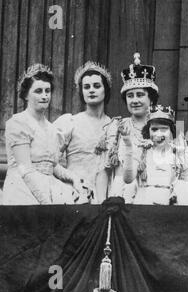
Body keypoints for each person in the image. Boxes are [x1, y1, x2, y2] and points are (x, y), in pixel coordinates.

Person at [3, 64, 81, 205]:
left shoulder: (52, 129)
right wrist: (45, 204)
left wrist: (73, 178)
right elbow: (25, 170)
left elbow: (53, 165)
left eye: (48, 91)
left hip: (48, 187)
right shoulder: (18, 123)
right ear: (26, 95)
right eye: (38, 91)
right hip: (22, 190)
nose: (44, 96)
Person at [54, 61, 112, 204]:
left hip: (105, 195)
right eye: (86, 87)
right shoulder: (70, 122)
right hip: (76, 194)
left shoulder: (114, 125)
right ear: (81, 92)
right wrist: (73, 179)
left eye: (97, 86)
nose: (91, 90)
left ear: (106, 90)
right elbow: (50, 160)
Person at [104, 53, 159, 202]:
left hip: (153, 191)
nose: (134, 100)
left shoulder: (161, 127)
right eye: (130, 96)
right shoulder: (117, 127)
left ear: (151, 98)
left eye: (140, 95)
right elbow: (107, 170)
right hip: (122, 193)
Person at [121, 104, 188, 205]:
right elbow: (128, 179)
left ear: (171, 131)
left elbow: (187, 191)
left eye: (164, 129)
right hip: (143, 207)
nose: (158, 134)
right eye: (154, 129)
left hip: (169, 210)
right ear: (148, 131)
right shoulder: (141, 152)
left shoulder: (180, 155)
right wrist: (128, 145)